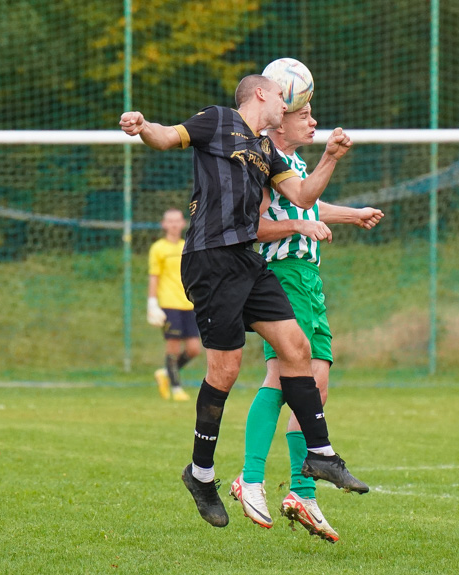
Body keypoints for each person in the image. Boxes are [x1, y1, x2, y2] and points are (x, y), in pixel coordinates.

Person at [119, 74, 369, 529]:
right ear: (261, 94)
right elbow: (167, 137)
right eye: (280, 95)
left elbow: (304, 196)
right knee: (225, 371)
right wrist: (142, 125)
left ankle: (320, 454)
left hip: (247, 261)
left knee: (296, 348)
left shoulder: (269, 151)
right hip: (209, 258)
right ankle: (201, 474)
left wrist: (330, 158)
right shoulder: (218, 120)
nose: (285, 103)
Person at [228, 102, 383, 542]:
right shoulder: (261, 159)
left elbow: (308, 204)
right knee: (282, 374)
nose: (313, 122)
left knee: (318, 381)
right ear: (280, 119)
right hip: (283, 276)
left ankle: (301, 492)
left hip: (309, 278)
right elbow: (256, 225)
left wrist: (352, 214)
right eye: (305, 114)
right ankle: (249, 476)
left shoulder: (292, 162)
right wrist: (328, 163)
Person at [147, 208, 200, 402]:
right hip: (169, 304)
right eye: (170, 221)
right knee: (173, 348)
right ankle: (176, 388)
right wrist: (152, 303)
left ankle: (165, 372)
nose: (174, 224)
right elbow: (154, 277)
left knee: (194, 348)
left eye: (177, 221)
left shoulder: (186, 246)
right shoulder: (158, 248)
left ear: (183, 223)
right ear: (164, 224)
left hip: (189, 304)